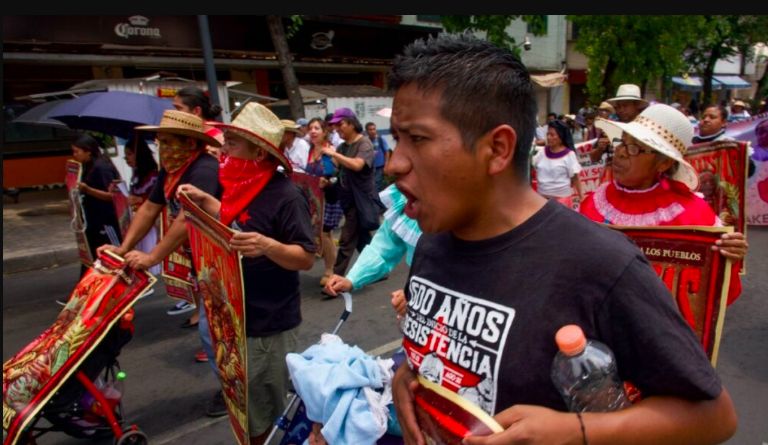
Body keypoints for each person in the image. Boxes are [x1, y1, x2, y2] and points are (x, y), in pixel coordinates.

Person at [386, 33, 736, 445]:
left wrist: (578, 431)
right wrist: (405, 381)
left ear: (497, 148)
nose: (393, 163)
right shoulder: (432, 242)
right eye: (396, 140)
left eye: (419, 139)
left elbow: (714, 417)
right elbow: (432, 356)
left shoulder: (601, 265)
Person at [176, 102, 316, 445]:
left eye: (233, 143)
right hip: (234, 321)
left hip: (268, 324)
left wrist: (268, 246)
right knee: (246, 412)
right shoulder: (239, 186)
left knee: (268, 417)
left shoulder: (286, 195)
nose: (224, 149)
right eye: (226, 141)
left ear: (257, 151)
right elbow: (235, 219)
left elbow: (306, 258)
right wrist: (205, 202)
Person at [96, 109, 227, 417]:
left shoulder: (204, 170)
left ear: (190, 144)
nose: (163, 149)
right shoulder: (171, 171)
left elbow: (187, 219)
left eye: (169, 142)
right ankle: (248, 384)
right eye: (160, 142)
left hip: (226, 263)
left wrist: (152, 256)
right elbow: (149, 209)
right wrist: (123, 248)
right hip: (204, 263)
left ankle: (235, 390)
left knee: (217, 334)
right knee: (220, 333)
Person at [580, 103, 748, 306]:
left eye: (634, 148)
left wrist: (729, 255)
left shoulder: (693, 214)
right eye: (621, 143)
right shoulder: (595, 202)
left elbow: (710, 296)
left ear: (664, 163)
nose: (621, 153)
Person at [323, 182, 421, 317]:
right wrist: (352, 278)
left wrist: (418, 294)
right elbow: (385, 246)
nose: (391, 168)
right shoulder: (407, 199)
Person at [170, 86, 226, 321]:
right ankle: (204, 315)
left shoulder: (217, 137)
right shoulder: (185, 141)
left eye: (178, 109)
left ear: (195, 111)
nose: (174, 114)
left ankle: (212, 326)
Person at [323, 107, 378, 277]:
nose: (337, 128)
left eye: (341, 124)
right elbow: (336, 169)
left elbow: (357, 165)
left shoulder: (364, 144)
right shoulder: (341, 147)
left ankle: (336, 278)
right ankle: (377, 269)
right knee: (363, 239)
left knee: (346, 240)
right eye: (335, 126)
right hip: (346, 199)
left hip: (361, 199)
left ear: (352, 124)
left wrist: (335, 155)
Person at [67, 133, 122, 280]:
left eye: (77, 151)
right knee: (92, 255)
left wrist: (88, 190)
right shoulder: (86, 167)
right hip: (92, 219)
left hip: (105, 220)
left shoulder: (101, 168)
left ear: (88, 151)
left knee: (113, 252)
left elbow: (112, 196)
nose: (74, 155)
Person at [303, 117, 343, 286]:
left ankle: (330, 270)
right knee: (321, 234)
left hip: (331, 198)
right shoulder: (310, 151)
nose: (313, 131)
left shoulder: (330, 150)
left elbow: (339, 175)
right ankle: (331, 266)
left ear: (325, 131)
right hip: (315, 199)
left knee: (326, 233)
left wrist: (329, 181)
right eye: (311, 128)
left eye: (317, 128)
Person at [122, 136, 160, 277]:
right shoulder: (136, 175)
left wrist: (140, 199)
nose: (127, 159)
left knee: (149, 253)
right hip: (138, 220)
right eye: (125, 156)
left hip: (151, 224)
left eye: (130, 154)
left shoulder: (154, 175)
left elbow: (155, 201)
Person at [589, 84, 648, 165]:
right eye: (618, 107)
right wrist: (600, 148)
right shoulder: (611, 128)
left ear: (636, 105)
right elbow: (593, 158)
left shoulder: (647, 129)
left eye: (625, 105)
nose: (621, 110)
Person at [532, 119, 584, 207]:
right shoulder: (542, 152)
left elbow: (576, 178)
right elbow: (531, 167)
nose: (548, 137)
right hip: (541, 201)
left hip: (561, 202)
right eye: (548, 134)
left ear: (561, 137)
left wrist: (581, 197)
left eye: (552, 135)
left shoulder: (569, 155)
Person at [366, 121, 392, 191]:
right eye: (370, 129)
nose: (372, 131)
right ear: (367, 131)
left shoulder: (380, 139)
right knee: (371, 185)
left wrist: (386, 165)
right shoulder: (365, 141)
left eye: (374, 129)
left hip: (380, 167)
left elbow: (387, 152)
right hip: (370, 168)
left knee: (377, 184)